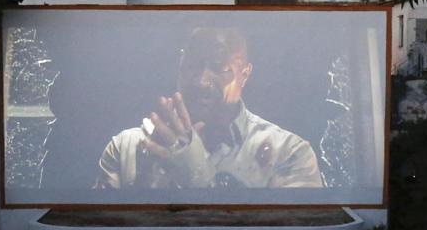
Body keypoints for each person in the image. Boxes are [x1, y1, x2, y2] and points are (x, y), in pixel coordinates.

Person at [94, 27, 323, 189]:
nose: (201, 81)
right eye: (192, 66)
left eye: (218, 68)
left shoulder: (290, 153)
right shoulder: (125, 147)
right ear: (179, 67)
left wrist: (195, 174)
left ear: (245, 73)